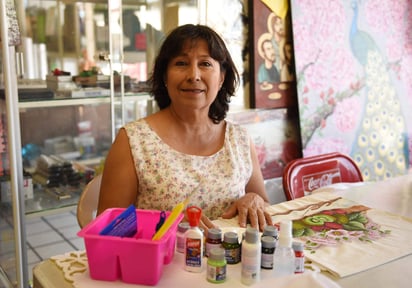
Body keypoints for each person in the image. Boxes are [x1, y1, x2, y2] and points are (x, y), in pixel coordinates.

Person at [97, 24, 273, 232]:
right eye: (181, 63)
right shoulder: (133, 141)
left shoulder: (239, 138)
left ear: (222, 77)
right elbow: (108, 229)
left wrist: (253, 199)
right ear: (164, 77)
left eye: (205, 64)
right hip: (163, 263)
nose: (194, 75)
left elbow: (263, 203)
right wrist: (169, 227)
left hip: (233, 261)